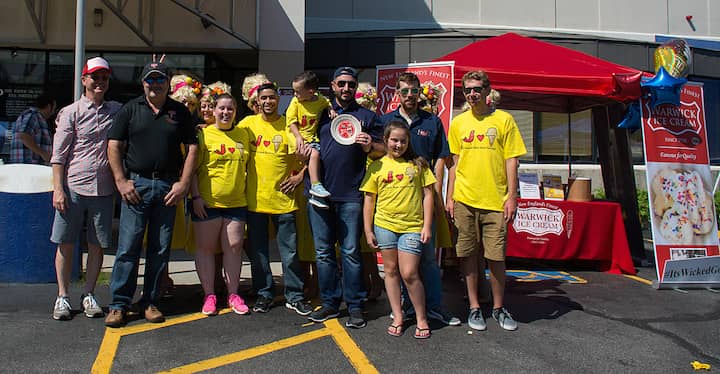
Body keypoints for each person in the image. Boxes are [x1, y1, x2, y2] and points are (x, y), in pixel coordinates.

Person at [104, 57, 198, 327]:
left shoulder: (179, 111)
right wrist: (121, 180)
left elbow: (192, 148)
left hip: (168, 188)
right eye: (150, 79)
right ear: (143, 83)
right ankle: (119, 304)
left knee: (160, 249)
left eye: (160, 79)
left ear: (168, 83)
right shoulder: (130, 110)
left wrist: (182, 184)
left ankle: (151, 301)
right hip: (137, 186)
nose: (155, 84)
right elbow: (113, 145)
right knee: (127, 248)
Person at [446, 70, 526, 332]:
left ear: (487, 91)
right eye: (467, 89)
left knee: (496, 258)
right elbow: (454, 164)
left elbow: (511, 160)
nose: (472, 93)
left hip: (495, 201)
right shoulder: (458, 123)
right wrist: (449, 196)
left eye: (477, 89)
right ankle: (474, 307)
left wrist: (512, 196)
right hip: (465, 199)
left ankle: (499, 307)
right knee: (467, 256)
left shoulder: (504, 120)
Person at [379, 72, 460, 326]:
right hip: (395, 203)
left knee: (428, 260)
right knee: (401, 265)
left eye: (414, 91)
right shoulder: (385, 121)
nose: (410, 96)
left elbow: (442, 160)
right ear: (397, 94)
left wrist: (440, 195)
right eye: (404, 91)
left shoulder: (432, 122)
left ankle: (434, 308)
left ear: (420, 92)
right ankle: (405, 308)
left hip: (425, 201)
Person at [307, 66, 384, 329]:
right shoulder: (322, 113)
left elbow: (384, 150)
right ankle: (330, 303)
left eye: (351, 84)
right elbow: (306, 141)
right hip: (320, 194)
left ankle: (355, 306)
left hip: (352, 194)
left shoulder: (368, 116)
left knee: (351, 252)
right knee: (324, 252)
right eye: (342, 84)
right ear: (333, 86)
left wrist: (369, 146)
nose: (346, 88)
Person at [49, 57, 122, 321]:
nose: (100, 82)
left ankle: (89, 293)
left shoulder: (117, 110)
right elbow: (58, 156)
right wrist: (58, 189)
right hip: (73, 188)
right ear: (84, 80)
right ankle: (62, 296)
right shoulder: (70, 112)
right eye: (95, 77)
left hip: (103, 189)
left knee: (97, 245)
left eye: (104, 77)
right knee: (66, 243)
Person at [239, 80, 312, 316]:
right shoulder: (247, 125)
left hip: (284, 202)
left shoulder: (288, 128)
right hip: (255, 202)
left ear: (278, 99)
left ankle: (295, 296)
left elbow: (311, 156)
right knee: (259, 253)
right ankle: (264, 294)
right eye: (264, 98)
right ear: (257, 101)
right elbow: (225, 135)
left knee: (289, 253)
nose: (268, 101)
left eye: (272, 97)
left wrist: (300, 176)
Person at [361, 121, 435, 339]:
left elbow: (428, 195)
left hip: (412, 227)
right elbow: (369, 200)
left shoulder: (419, 164)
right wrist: (368, 230)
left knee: (409, 273)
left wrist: (427, 225)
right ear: (385, 141)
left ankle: (421, 318)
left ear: (408, 142)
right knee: (390, 271)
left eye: (403, 140)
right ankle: (398, 315)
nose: (398, 144)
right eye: (394, 140)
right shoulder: (376, 166)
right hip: (384, 226)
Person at [189, 93, 250, 316]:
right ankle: (209, 295)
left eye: (230, 109)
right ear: (213, 111)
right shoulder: (203, 135)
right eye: (221, 109)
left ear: (235, 112)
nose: (225, 113)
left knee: (233, 248)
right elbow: (193, 171)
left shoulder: (243, 134)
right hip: (207, 202)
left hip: (237, 202)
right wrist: (195, 197)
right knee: (205, 249)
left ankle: (233, 294)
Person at [286, 71, 334, 208]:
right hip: (296, 137)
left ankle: (316, 195)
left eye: (298, 91)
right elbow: (291, 122)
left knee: (318, 159)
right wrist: (298, 137)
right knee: (315, 155)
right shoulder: (295, 102)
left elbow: (327, 103)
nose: (295, 94)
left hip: (311, 138)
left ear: (311, 92)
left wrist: (330, 110)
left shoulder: (320, 100)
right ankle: (315, 186)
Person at [7, 92, 56, 164]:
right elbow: (24, 136)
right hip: (28, 165)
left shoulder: (33, 116)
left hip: (28, 165)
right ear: (48, 107)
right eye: (54, 109)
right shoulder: (33, 116)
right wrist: (43, 153)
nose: (53, 113)